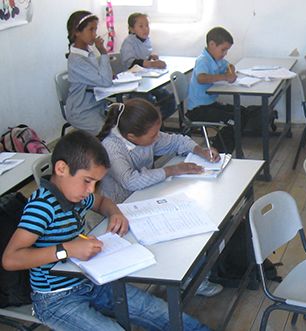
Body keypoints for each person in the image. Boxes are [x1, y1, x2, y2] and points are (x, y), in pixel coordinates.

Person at [1, 130, 210, 331]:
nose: (90, 190)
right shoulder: (41, 207)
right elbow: (11, 259)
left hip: (91, 280)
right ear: (62, 169)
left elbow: (102, 201)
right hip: (55, 299)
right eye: (87, 181)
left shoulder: (75, 193)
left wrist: (115, 213)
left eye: (95, 182)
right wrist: (67, 249)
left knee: (163, 313)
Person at [97, 98, 224, 297]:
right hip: (121, 208)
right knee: (180, 228)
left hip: (145, 197)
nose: (157, 137)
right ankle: (188, 278)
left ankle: (196, 273)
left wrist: (200, 150)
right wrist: (171, 169)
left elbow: (176, 140)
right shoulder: (111, 147)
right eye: (153, 134)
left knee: (191, 218)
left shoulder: (145, 137)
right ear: (132, 136)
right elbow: (130, 181)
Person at [187, 26, 244, 153]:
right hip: (198, 109)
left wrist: (231, 72)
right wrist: (224, 77)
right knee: (234, 120)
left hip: (210, 104)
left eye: (227, 50)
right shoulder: (203, 60)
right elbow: (201, 78)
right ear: (212, 44)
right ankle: (219, 152)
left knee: (241, 112)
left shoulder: (217, 59)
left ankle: (222, 145)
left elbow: (229, 65)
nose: (225, 54)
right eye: (223, 50)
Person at [120, 13, 176, 121]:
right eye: (141, 26)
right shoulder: (129, 42)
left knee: (169, 99)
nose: (145, 29)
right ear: (132, 29)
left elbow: (143, 57)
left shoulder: (145, 40)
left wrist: (150, 57)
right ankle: (149, 124)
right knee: (148, 103)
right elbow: (131, 63)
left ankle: (156, 122)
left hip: (146, 82)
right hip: (134, 86)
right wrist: (151, 64)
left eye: (147, 25)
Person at [65, 11, 113, 135]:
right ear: (77, 32)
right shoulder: (76, 60)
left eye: (95, 30)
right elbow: (105, 81)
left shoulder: (88, 51)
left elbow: (100, 77)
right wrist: (103, 52)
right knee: (109, 135)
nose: (94, 34)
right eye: (91, 30)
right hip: (82, 111)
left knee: (124, 123)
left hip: (97, 106)